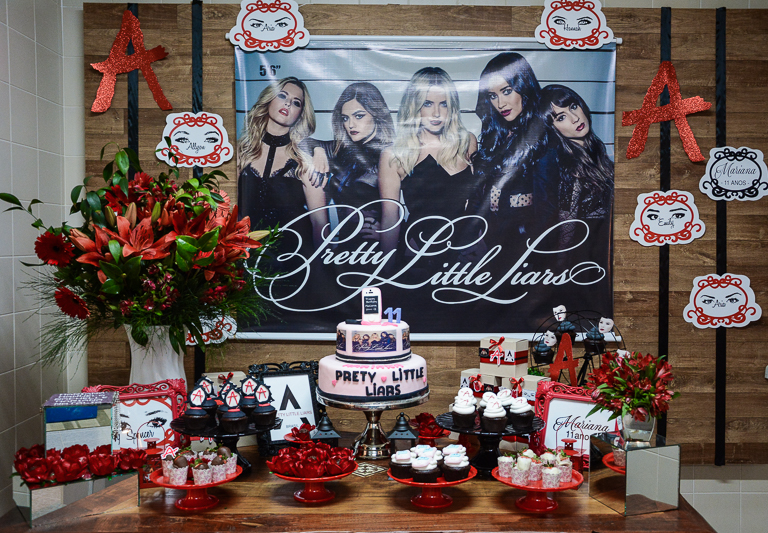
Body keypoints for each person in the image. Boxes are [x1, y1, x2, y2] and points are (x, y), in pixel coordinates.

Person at [378, 67, 478, 258]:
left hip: (462, 254)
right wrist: (385, 270)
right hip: (417, 253)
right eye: (427, 103)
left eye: (444, 104)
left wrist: (478, 244)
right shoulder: (394, 154)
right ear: (414, 105)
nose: (436, 113)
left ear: (452, 107)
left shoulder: (467, 142)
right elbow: (390, 219)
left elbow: (475, 205)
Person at [470, 52, 557, 250]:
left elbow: (546, 210)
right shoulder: (495, 136)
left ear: (524, 87)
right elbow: (480, 195)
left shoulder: (543, 138)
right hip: (488, 242)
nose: (500, 104)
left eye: (507, 91)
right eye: (493, 96)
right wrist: (471, 240)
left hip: (523, 245)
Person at [237, 77, 328, 251]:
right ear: (269, 99)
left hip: (295, 256)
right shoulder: (241, 152)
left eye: (296, 102)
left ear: (300, 114)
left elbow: (320, 223)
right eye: (282, 96)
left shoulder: (305, 161)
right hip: (247, 255)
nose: (288, 104)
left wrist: (318, 265)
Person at [306, 82, 395, 244]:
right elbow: (298, 142)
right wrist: (317, 150)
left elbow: (415, 204)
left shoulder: (389, 154)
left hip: (375, 247)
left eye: (358, 116)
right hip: (343, 247)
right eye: (345, 118)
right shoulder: (339, 151)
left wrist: (389, 235)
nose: (350, 125)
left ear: (376, 114)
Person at [538, 84, 614, 249]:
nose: (575, 118)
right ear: (552, 128)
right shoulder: (570, 170)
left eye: (573, 107)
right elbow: (566, 235)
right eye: (561, 118)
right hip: (589, 255)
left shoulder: (597, 153)